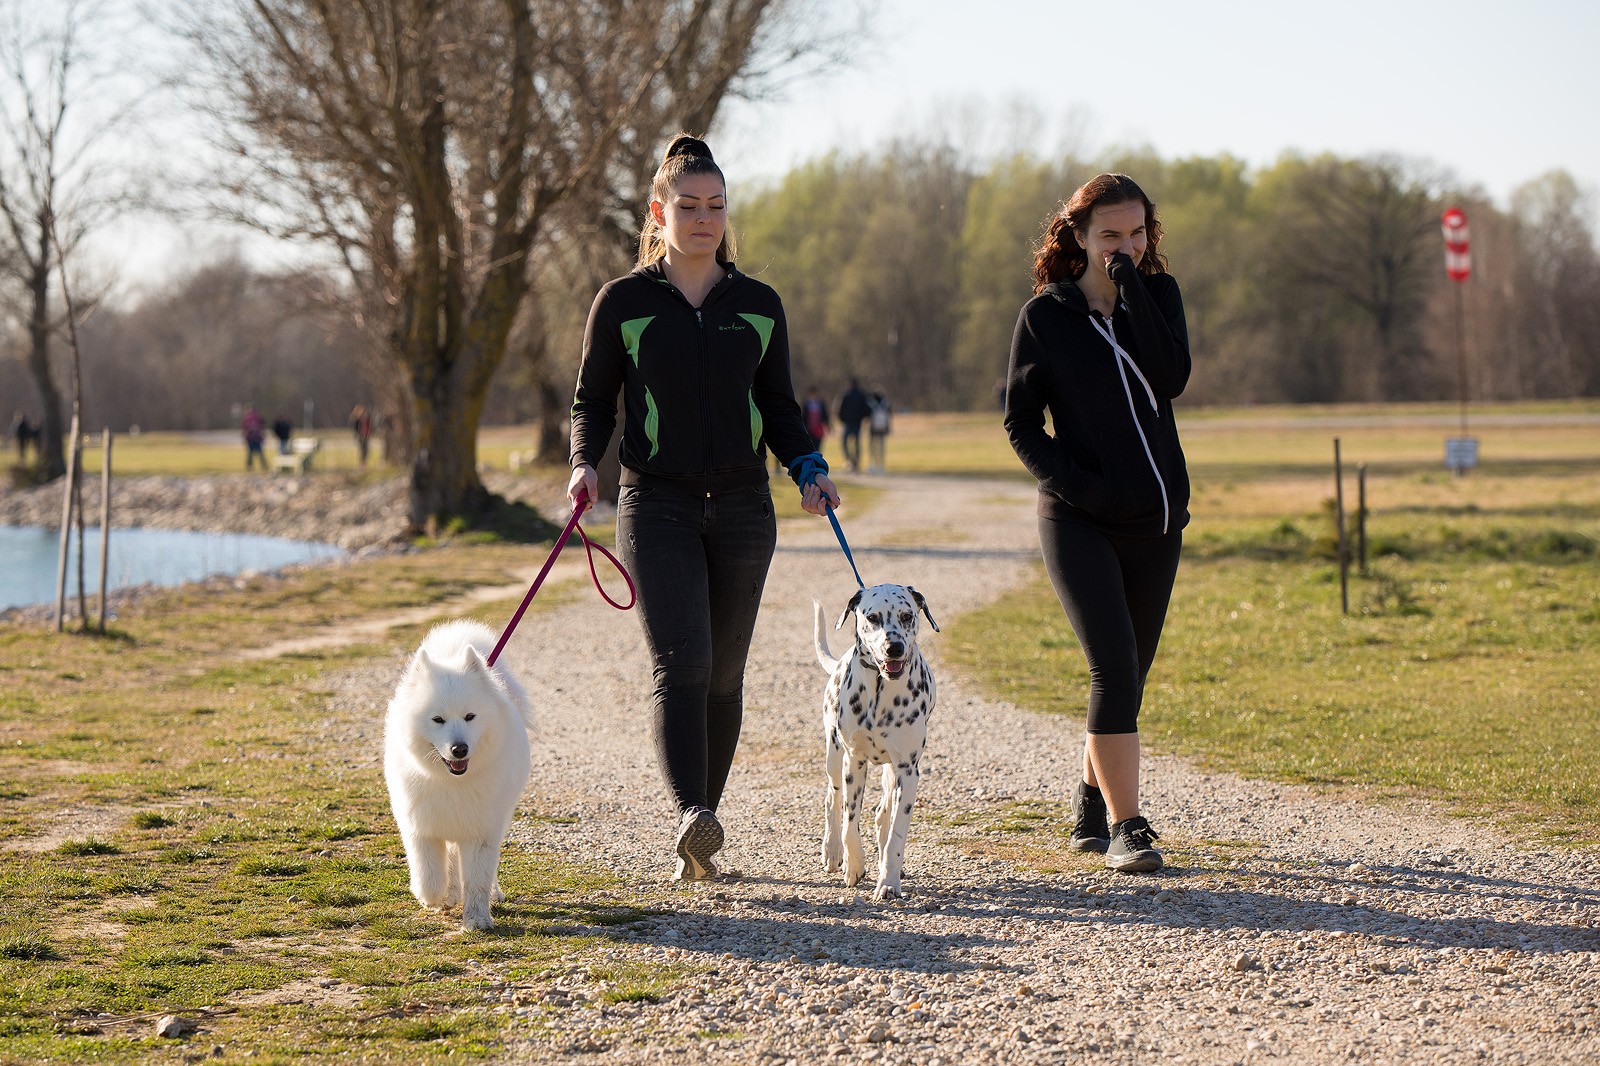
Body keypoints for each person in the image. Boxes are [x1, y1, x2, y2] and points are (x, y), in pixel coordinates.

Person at [567, 134, 840, 882]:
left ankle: (702, 829)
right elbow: (592, 403)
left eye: (716, 206)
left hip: (746, 507)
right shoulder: (623, 303)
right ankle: (691, 809)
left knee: (724, 673)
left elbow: (780, 408)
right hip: (655, 503)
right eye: (689, 207)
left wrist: (808, 466)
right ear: (660, 212)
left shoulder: (757, 305)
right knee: (680, 662)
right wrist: (583, 467)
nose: (704, 220)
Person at [1002, 173, 1191, 874]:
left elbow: (1172, 378)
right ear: (1077, 237)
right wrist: (1077, 484)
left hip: (1157, 519)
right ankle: (1126, 825)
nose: (1127, 246)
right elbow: (1020, 423)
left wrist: (1133, 290)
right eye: (1111, 235)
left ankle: (1089, 802)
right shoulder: (1045, 318)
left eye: (1137, 233)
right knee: (1112, 666)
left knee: (1131, 678)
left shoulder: (1159, 296)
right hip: (1078, 520)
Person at [837, 378, 869, 472]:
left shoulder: (846, 394)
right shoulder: (862, 395)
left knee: (844, 442)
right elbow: (866, 409)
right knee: (857, 442)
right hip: (857, 422)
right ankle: (856, 461)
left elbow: (840, 408)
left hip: (847, 422)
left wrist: (842, 419)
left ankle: (849, 460)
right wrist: (863, 418)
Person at [866, 390, 891, 472]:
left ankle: (872, 464)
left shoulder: (870, 403)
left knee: (872, 447)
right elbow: (888, 416)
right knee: (881, 446)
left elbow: (867, 416)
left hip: (873, 429)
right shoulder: (885, 403)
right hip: (882, 428)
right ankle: (881, 464)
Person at [801, 386, 830, 452]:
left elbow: (825, 416)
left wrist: (828, 426)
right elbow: (803, 417)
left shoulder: (821, 404)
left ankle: (816, 461)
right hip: (808, 429)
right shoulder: (806, 404)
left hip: (818, 430)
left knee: (817, 448)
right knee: (809, 448)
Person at [241, 405, 267, 471]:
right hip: (255, 437)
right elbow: (263, 426)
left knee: (251, 453)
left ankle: (250, 466)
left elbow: (244, 428)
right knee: (258, 452)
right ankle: (263, 465)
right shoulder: (257, 417)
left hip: (252, 438)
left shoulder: (248, 418)